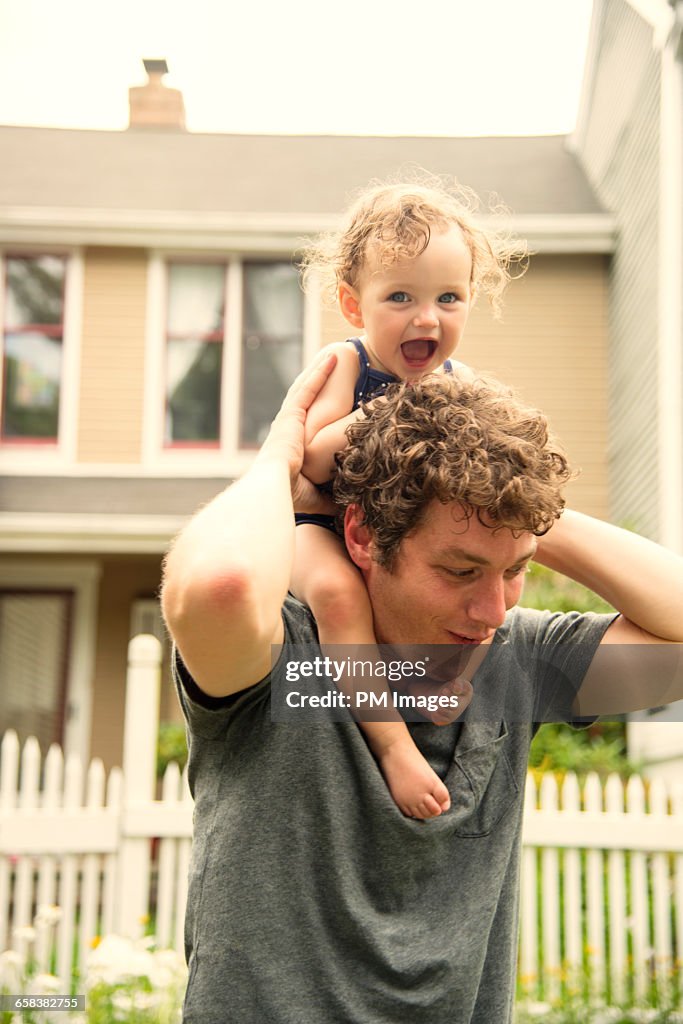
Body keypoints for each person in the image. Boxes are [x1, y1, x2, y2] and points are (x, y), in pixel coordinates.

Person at [161, 362, 683, 1024]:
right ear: (360, 535)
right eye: (459, 570)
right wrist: (279, 464)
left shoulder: (514, 661)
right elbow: (222, 586)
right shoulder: (280, 662)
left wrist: (518, 507)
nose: (491, 610)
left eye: (514, 570)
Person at [292, 177, 526, 819]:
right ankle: (396, 748)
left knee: (465, 602)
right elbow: (313, 458)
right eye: (401, 296)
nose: (428, 317)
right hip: (317, 525)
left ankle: (437, 689)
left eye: (449, 297)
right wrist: (402, 407)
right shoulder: (348, 365)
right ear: (353, 304)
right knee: (339, 598)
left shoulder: (460, 380)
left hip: (401, 541)